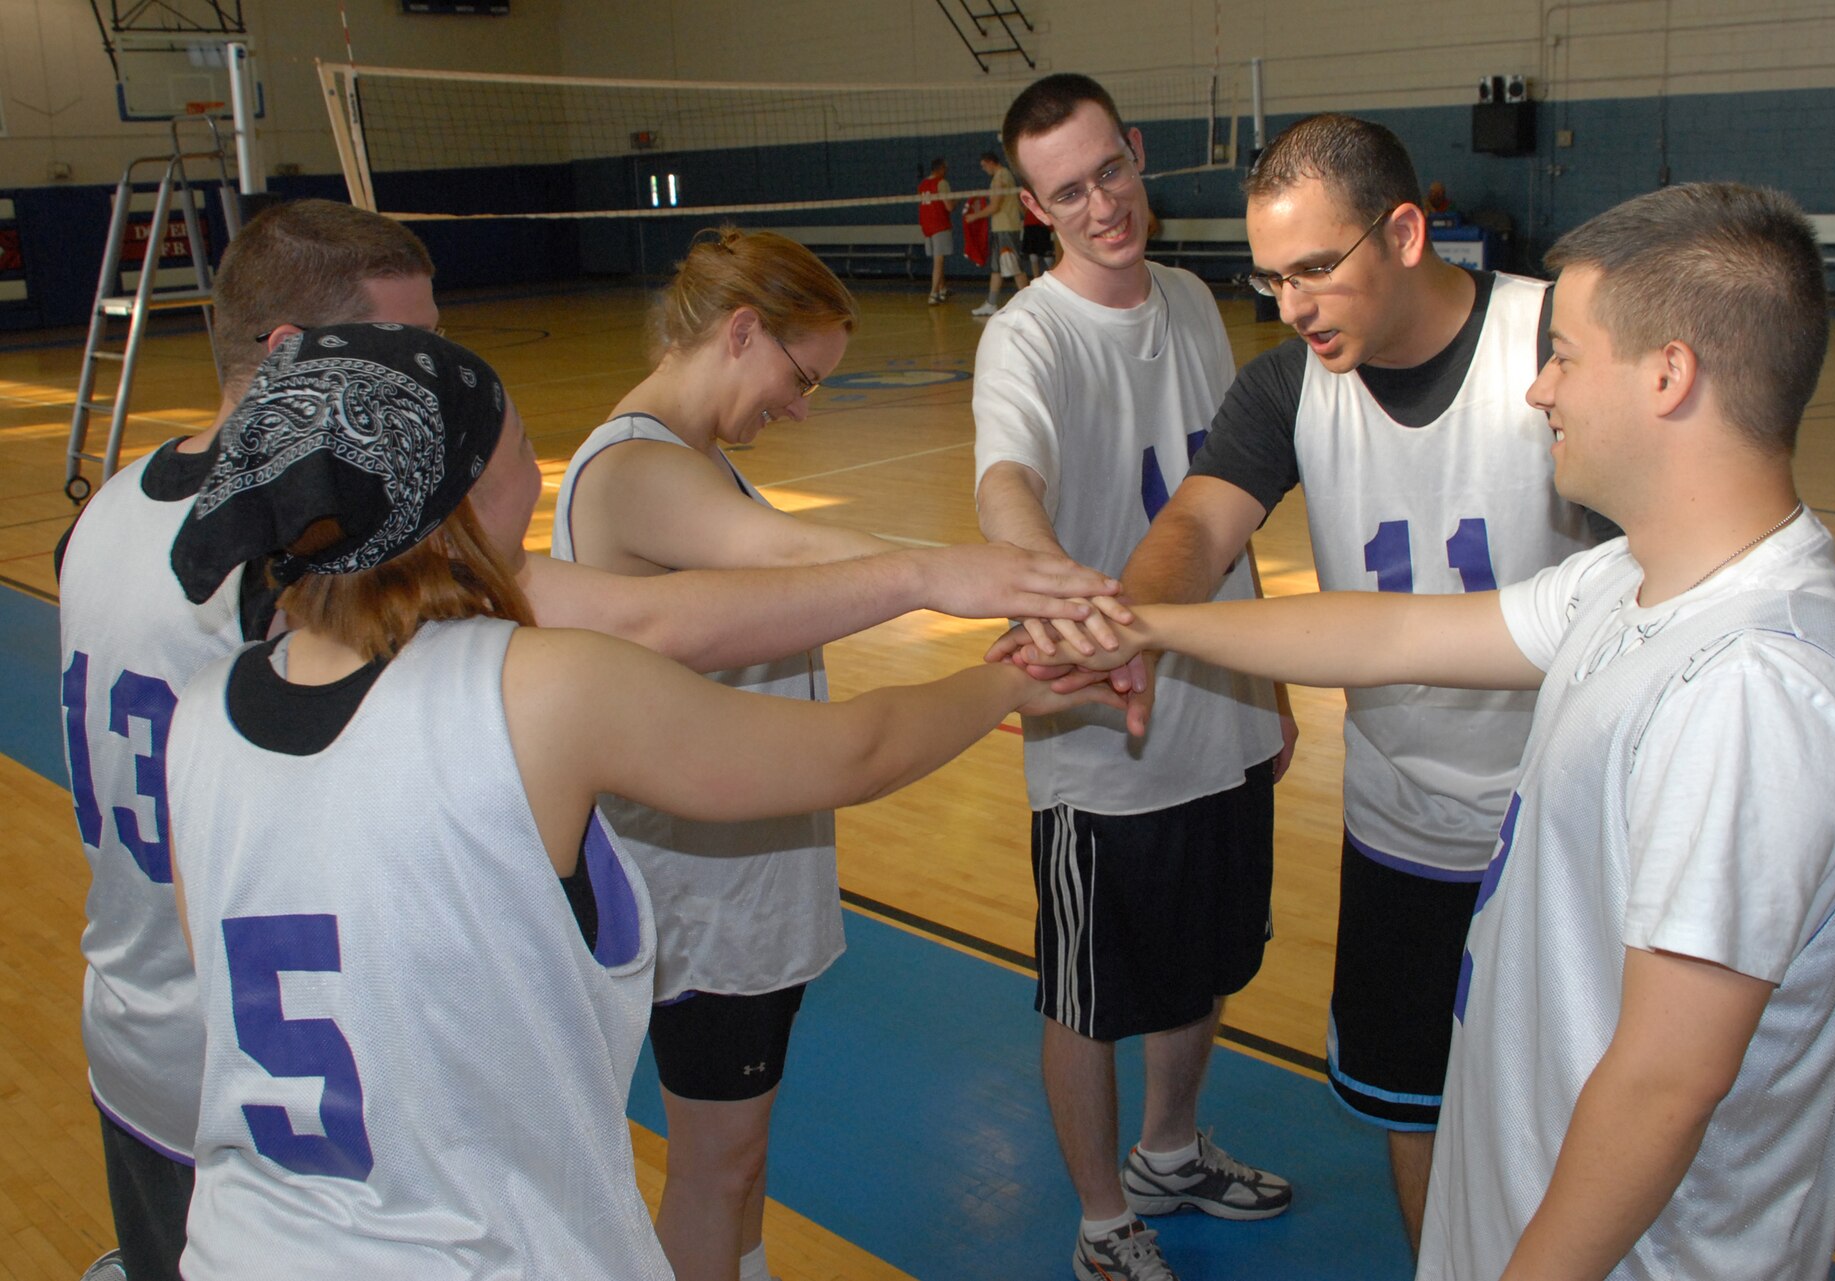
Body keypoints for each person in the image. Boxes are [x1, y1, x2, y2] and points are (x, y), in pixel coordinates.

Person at [55, 198, 1109, 1281]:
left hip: (241, 1210)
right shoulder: (535, 686)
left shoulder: (202, 700)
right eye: (520, 446)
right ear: (457, 495)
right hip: (472, 1244)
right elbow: (848, 747)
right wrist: (1005, 683)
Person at [998, 182, 1835, 1281]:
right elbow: (1389, 635)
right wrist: (1140, 625)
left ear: (1668, 375)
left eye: (1564, 354)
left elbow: (1666, 1085)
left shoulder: (1755, 689)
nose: (1538, 382)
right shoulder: (1627, 580)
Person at [550, 226, 1117, 1281]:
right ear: (739, 331)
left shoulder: (688, 461)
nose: (800, 408)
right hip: (696, 893)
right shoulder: (636, 469)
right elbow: (787, 553)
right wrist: (964, 578)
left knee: (735, 1157)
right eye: (798, 377)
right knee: (716, 1166)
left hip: (739, 881)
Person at [1112, 112, 1595, 1246]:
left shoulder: (1547, 348)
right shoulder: (1286, 388)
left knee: (1574, 1109)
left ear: (1408, 232)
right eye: (1271, 278)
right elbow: (1196, 521)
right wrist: (1136, 619)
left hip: (1564, 820)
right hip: (1402, 824)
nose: (1291, 305)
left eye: (1316, 269)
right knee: (1412, 1101)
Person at [56, 198, 439, 1281]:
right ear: (289, 358)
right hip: (259, 1072)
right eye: (400, 351)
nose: (424, 380)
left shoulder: (112, 507)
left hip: (134, 1033)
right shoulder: (292, 552)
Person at [972, 73, 1292, 1281]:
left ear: (1136, 152)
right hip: (1102, 734)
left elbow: (1228, 499)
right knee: (1088, 993)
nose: (1101, 204)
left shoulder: (1195, 300)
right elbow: (1008, 484)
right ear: (1034, 205)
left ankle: (1169, 1150)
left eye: (1110, 171)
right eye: (1068, 191)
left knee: (1205, 963)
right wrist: (1063, 597)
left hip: (1217, 705)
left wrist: (1271, 686)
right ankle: (1104, 1221)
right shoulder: (1027, 337)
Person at [964, 149, 1031, 316]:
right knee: (996, 268)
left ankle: (1032, 303)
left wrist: (974, 216)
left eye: (983, 165)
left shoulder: (1002, 176)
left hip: (1007, 228)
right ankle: (991, 303)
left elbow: (995, 206)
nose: (983, 169)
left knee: (1014, 266)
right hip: (999, 228)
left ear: (990, 162)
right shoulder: (998, 177)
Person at [919, 156, 954, 304]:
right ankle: (933, 294)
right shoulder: (942, 183)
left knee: (938, 260)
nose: (947, 171)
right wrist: (957, 200)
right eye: (945, 168)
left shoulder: (922, 184)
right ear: (940, 169)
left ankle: (942, 289)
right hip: (940, 225)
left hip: (927, 226)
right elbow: (949, 206)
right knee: (938, 261)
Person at [1021, 196, 1054, 277]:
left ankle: (1054, 277)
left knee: (1047, 253)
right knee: (1032, 253)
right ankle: (1036, 277)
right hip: (1030, 224)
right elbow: (1024, 208)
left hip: (1042, 224)